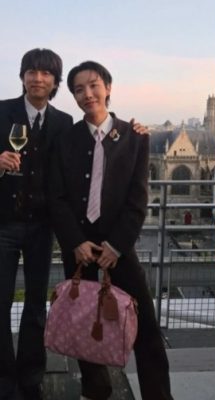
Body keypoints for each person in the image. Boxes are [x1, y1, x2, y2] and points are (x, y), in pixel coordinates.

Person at [50, 61, 173, 400]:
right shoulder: (66, 139)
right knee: (83, 322)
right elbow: (56, 197)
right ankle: (96, 390)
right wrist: (75, 242)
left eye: (93, 85)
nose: (87, 94)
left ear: (108, 88)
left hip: (118, 248)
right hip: (80, 248)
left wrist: (116, 246)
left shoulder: (135, 137)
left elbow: (137, 198)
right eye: (78, 89)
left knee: (146, 327)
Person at [0, 48, 73, 400]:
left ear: (55, 81)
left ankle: (31, 375)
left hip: (43, 227)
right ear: (22, 76)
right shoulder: (2, 111)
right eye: (31, 71)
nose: (37, 78)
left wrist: (130, 132)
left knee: (35, 305)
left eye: (45, 73)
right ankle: (3, 378)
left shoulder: (63, 122)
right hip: (4, 224)